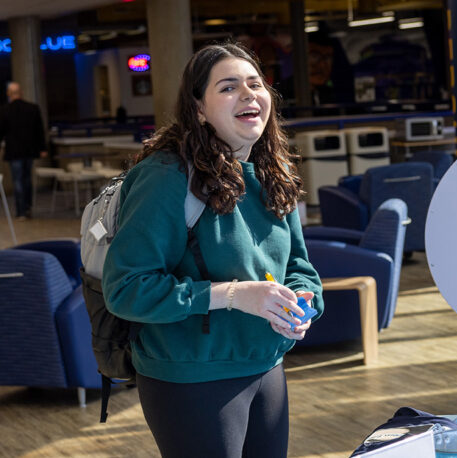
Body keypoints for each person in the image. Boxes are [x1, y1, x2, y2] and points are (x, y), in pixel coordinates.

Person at [102, 43, 324, 458]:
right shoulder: (166, 177)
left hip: (266, 365)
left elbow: (299, 265)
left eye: (255, 83)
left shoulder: (275, 172)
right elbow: (127, 288)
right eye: (228, 87)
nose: (247, 93)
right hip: (191, 377)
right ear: (199, 110)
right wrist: (235, 295)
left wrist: (304, 300)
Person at [0, 81, 47, 219]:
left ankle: (21, 211)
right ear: (20, 93)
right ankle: (27, 207)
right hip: (29, 150)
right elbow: (39, 131)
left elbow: (1, 131)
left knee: (17, 181)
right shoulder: (32, 108)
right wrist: (42, 148)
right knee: (27, 180)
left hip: (14, 151)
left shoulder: (4, 110)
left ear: (9, 94)